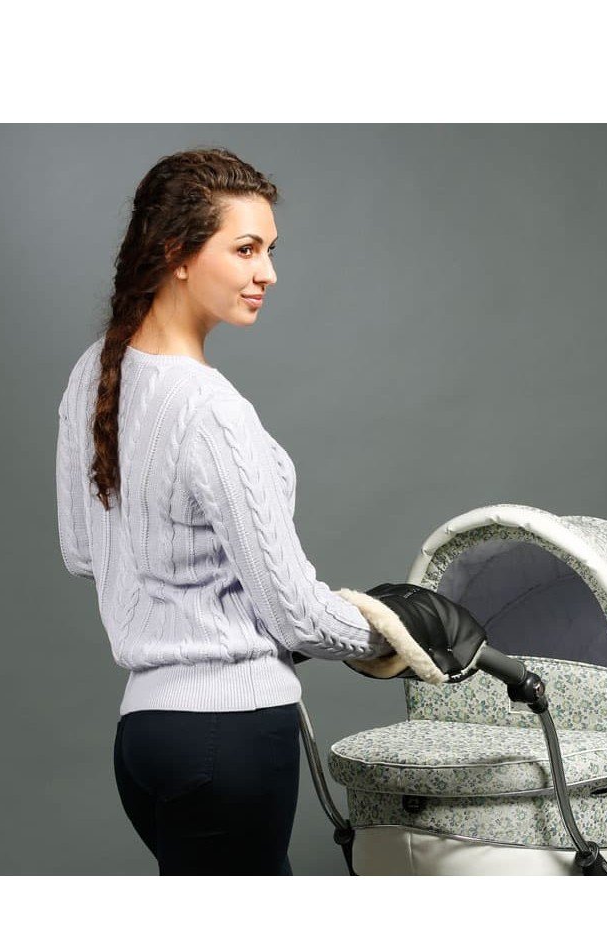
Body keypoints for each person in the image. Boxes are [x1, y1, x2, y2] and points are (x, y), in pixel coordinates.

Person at [55, 147, 404, 876]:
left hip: (145, 739)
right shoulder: (210, 409)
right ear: (176, 254)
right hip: (229, 737)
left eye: (270, 250)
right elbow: (297, 616)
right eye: (245, 249)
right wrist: (397, 636)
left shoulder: (94, 372)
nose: (267, 272)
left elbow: (84, 551)